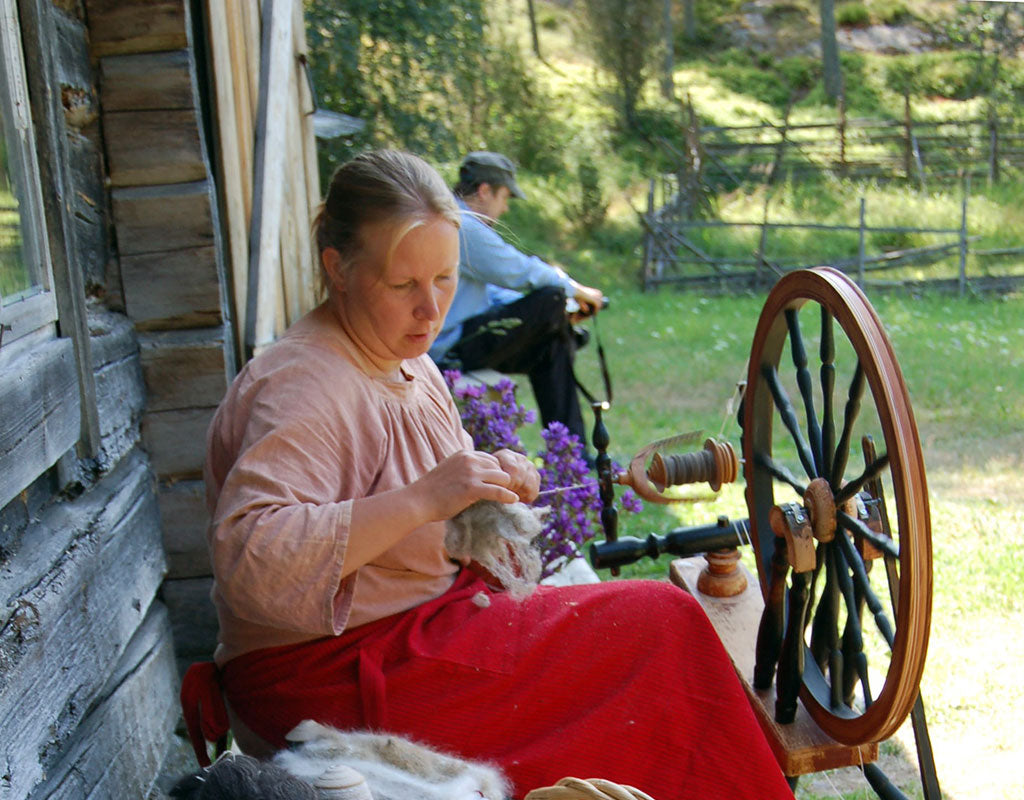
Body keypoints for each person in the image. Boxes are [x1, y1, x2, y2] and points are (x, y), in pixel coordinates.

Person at [179, 150, 794, 800]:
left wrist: (488, 487)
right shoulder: (302, 383)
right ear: (338, 268)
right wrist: (423, 499)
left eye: (445, 279)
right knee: (655, 627)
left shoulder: (406, 364)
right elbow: (253, 559)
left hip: (411, 637)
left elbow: (436, 516)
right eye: (403, 285)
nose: (431, 309)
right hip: (331, 674)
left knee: (646, 631)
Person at [429, 151, 604, 448]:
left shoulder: (457, 223)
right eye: (504, 197)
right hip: (448, 351)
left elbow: (494, 291)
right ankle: (573, 454)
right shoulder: (462, 225)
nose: (505, 208)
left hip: (464, 339)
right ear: (485, 191)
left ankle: (573, 452)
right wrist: (573, 291)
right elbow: (518, 271)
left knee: (550, 344)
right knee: (552, 298)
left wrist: (560, 313)